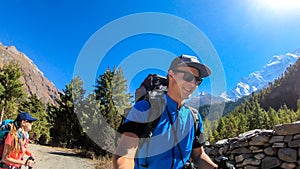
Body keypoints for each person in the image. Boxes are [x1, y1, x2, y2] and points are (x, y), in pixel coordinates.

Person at [113, 55, 218, 169]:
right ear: (171, 74)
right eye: (188, 77)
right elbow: (125, 155)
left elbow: (198, 155)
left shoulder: (194, 117)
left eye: (197, 80)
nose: (193, 84)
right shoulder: (145, 108)